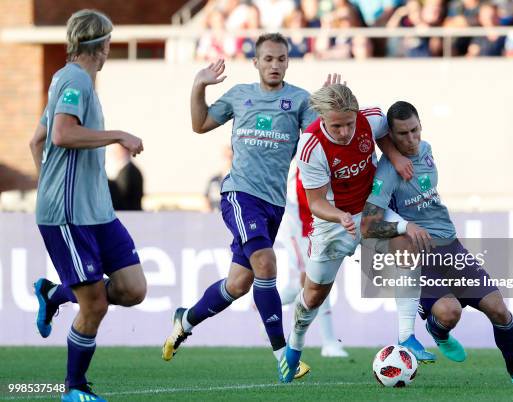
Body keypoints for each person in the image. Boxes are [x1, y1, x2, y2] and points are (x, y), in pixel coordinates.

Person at [162, 33, 318, 381]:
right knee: (265, 262)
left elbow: (322, 135)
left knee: (238, 284)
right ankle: (284, 356)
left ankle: (184, 321)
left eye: (280, 59)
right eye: (268, 59)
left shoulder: (299, 100)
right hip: (239, 194)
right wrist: (198, 85)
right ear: (256, 63)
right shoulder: (239, 96)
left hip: (274, 203)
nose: (274, 65)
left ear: (288, 62)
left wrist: (334, 105)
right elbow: (199, 125)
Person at [360, 101, 513, 386]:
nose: (411, 140)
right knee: (450, 313)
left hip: (452, 247)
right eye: (402, 134)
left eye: (415, 130)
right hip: (419, 257)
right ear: (389, 137)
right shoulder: (386, 174)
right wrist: (404, 227)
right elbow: (369, 226)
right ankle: (438, 331)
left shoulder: (427, 150)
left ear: (421, 126)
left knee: (498, 308)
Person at [29, 9, 147, 402]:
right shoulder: (77, 80)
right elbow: (61, 135)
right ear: (101, 45)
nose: (110, 47)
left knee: (133, 289)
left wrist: (48, 180)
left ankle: (53, 295)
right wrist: (119, 135)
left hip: (95, 211)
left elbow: (37, 140)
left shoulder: (68, 79)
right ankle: (74, 389)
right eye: (109, 41)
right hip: (69, 215)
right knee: (95, 304)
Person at [281, 84, 428, 383]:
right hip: (333, 224)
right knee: (313, 296)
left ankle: (406, 336)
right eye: (337, 125)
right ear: (322, 118)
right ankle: (293, 349)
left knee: (408, 241)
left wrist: (395, 157)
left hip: (371, 210)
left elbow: (385, 135)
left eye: (349, 123)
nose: (345, 131)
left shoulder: (371, 118)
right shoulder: (312, 147)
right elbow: (317, 202)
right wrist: (340, 216)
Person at [276, 163, 348, 357]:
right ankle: (329, 342)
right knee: (314, 280)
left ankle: (267, 304)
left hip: (317, 227)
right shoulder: (303, 155)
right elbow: (302, 196)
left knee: (308, 282)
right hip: (297, 227)